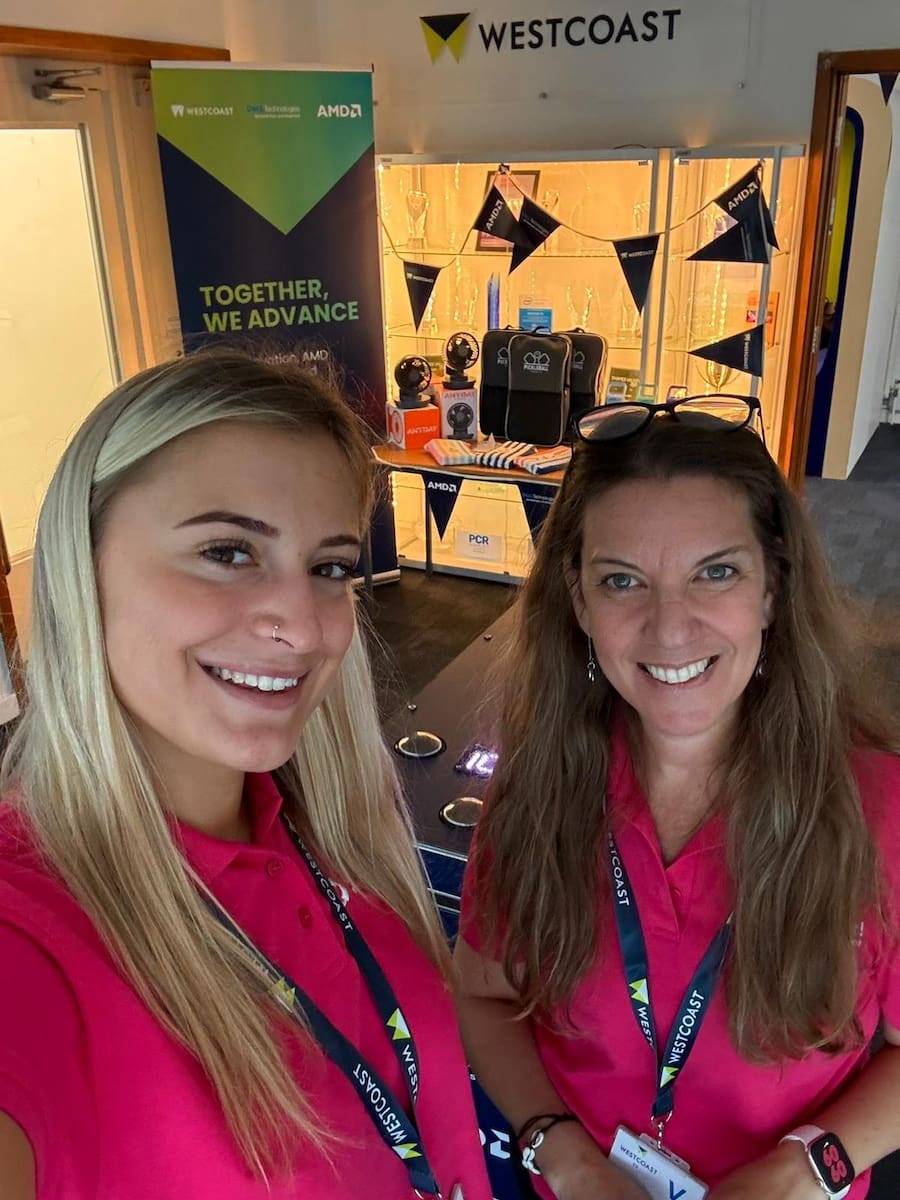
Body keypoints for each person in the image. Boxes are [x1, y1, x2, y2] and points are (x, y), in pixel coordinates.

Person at [0, 348, 491, 1200]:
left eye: (330, 567)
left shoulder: (333, 827)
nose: (301, 627)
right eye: (227, 552)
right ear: (83, 568)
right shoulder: (30, 940)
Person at [454, 395, 900, 1200]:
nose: (670, 629)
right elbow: (484, 993)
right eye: (623, 580)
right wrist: (562, 1151)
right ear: (581, 602)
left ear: (772, 589)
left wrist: (801, 1174)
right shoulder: (537, 784)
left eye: (715, 573)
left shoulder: (882, 804)